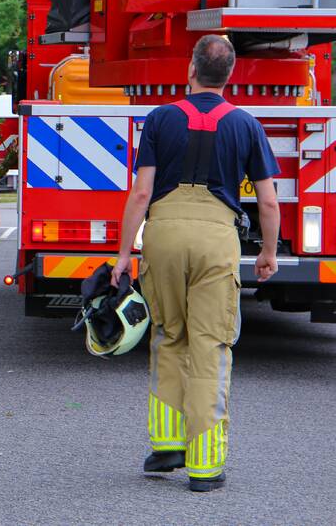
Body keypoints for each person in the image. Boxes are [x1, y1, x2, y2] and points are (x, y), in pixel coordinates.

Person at [111, 34, 280, 492]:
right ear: (230, 75)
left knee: (169, 336)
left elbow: (141, 193)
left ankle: (166, 445)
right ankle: (204, 468)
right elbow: (267, 201)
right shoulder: (246, 124)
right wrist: (268, 251)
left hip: (163, 234)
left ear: (190, 69)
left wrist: (125, 254)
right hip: (215, 239)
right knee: (210, 345)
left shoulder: (161, 119)